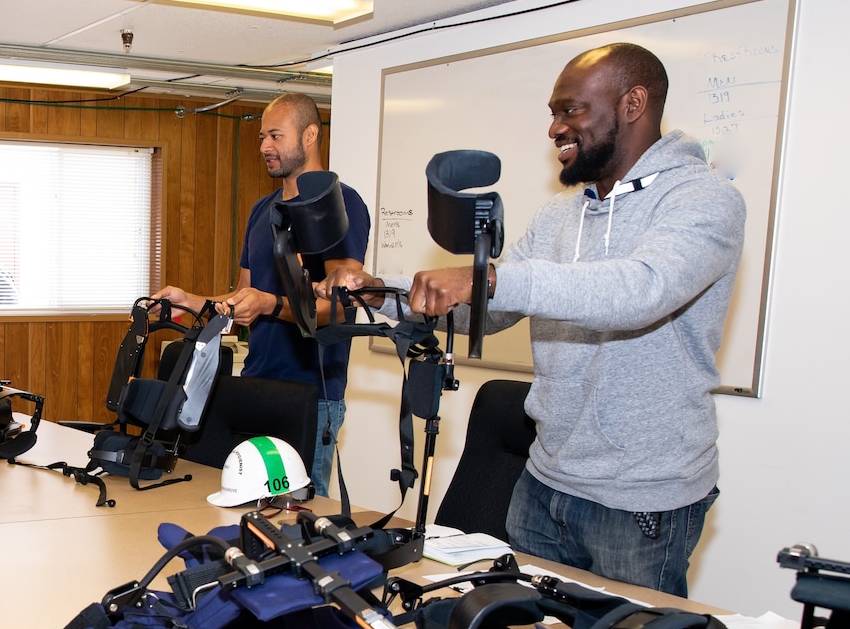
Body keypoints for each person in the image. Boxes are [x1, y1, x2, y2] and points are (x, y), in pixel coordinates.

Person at [324, 43, 743, 596]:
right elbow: (490, 312)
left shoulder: (704, 199)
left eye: (571, 110)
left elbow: (642, 289)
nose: (554, 128)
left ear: (633, 103)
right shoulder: (561, 215)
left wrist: (488, 276)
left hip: (641, 496)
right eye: (553, 112)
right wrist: (379, 294)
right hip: (544, 480)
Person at [152, 93, 371, 496]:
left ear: (309, 135)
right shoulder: (261, 209)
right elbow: (242, 298)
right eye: (260, 137)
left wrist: (270, 304)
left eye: (274, 135)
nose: (264, 147)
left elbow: (337, 310)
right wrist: (191, 301)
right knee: (247, 501)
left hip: (313, 394)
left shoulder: (340, 204)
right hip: (256, 385)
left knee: (302, 512)